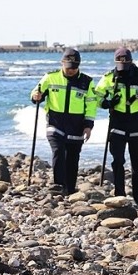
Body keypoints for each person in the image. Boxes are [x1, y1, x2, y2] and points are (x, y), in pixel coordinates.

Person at [94, 48, 138, 207]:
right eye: (120, 63)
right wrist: (107, 103)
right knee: (117, 161)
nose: (123, 67)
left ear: (131, 61)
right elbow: (96, 96)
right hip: (117, 125)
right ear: (116, 63)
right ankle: (120, 195)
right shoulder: (109, 78)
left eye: (126, 63)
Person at [30, 48, 97, 195]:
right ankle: (59, 185)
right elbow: (36, 92)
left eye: (74, 68)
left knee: (73, 158)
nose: (71, 71)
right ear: (62, 63)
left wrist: (88, 126)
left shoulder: (87, 82)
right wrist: (36, 96)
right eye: (68, 68)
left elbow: (91, 105)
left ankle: (70, 189)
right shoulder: (50, 77)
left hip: (77, 125)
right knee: (58, 150)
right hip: (55, 122)